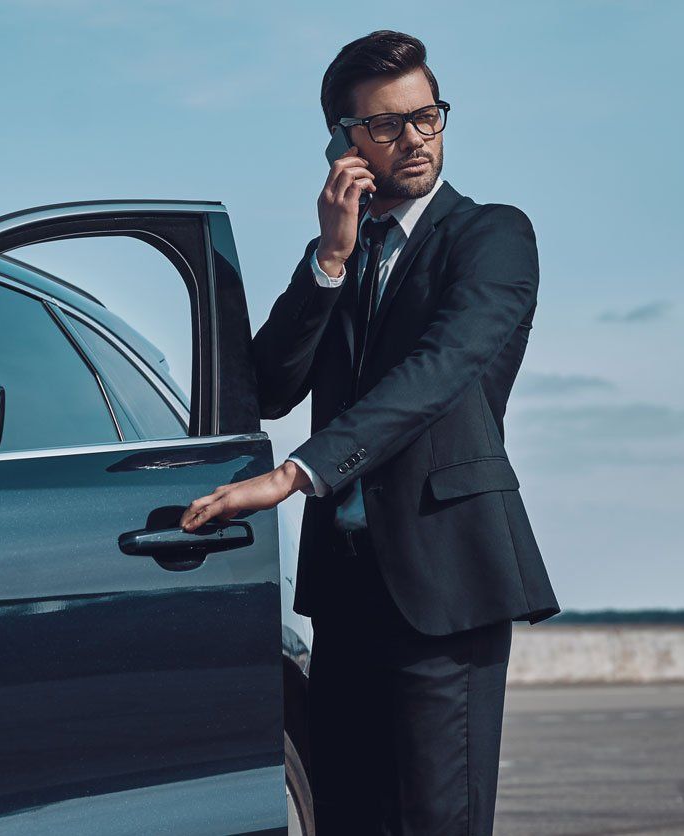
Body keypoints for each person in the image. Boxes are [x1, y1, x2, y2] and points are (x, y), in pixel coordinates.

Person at [178, 29, 561, 835]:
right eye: (386, 126)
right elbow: (270, 386)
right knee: (345, 818)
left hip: (446, 583)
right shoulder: (341, 256)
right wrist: (329, 257)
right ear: (343, 143)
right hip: (347, 592)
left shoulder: (492, 237)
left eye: (427, 117)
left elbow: (437, 371)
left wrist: (295, 475)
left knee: (436, 823)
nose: (415, 140)